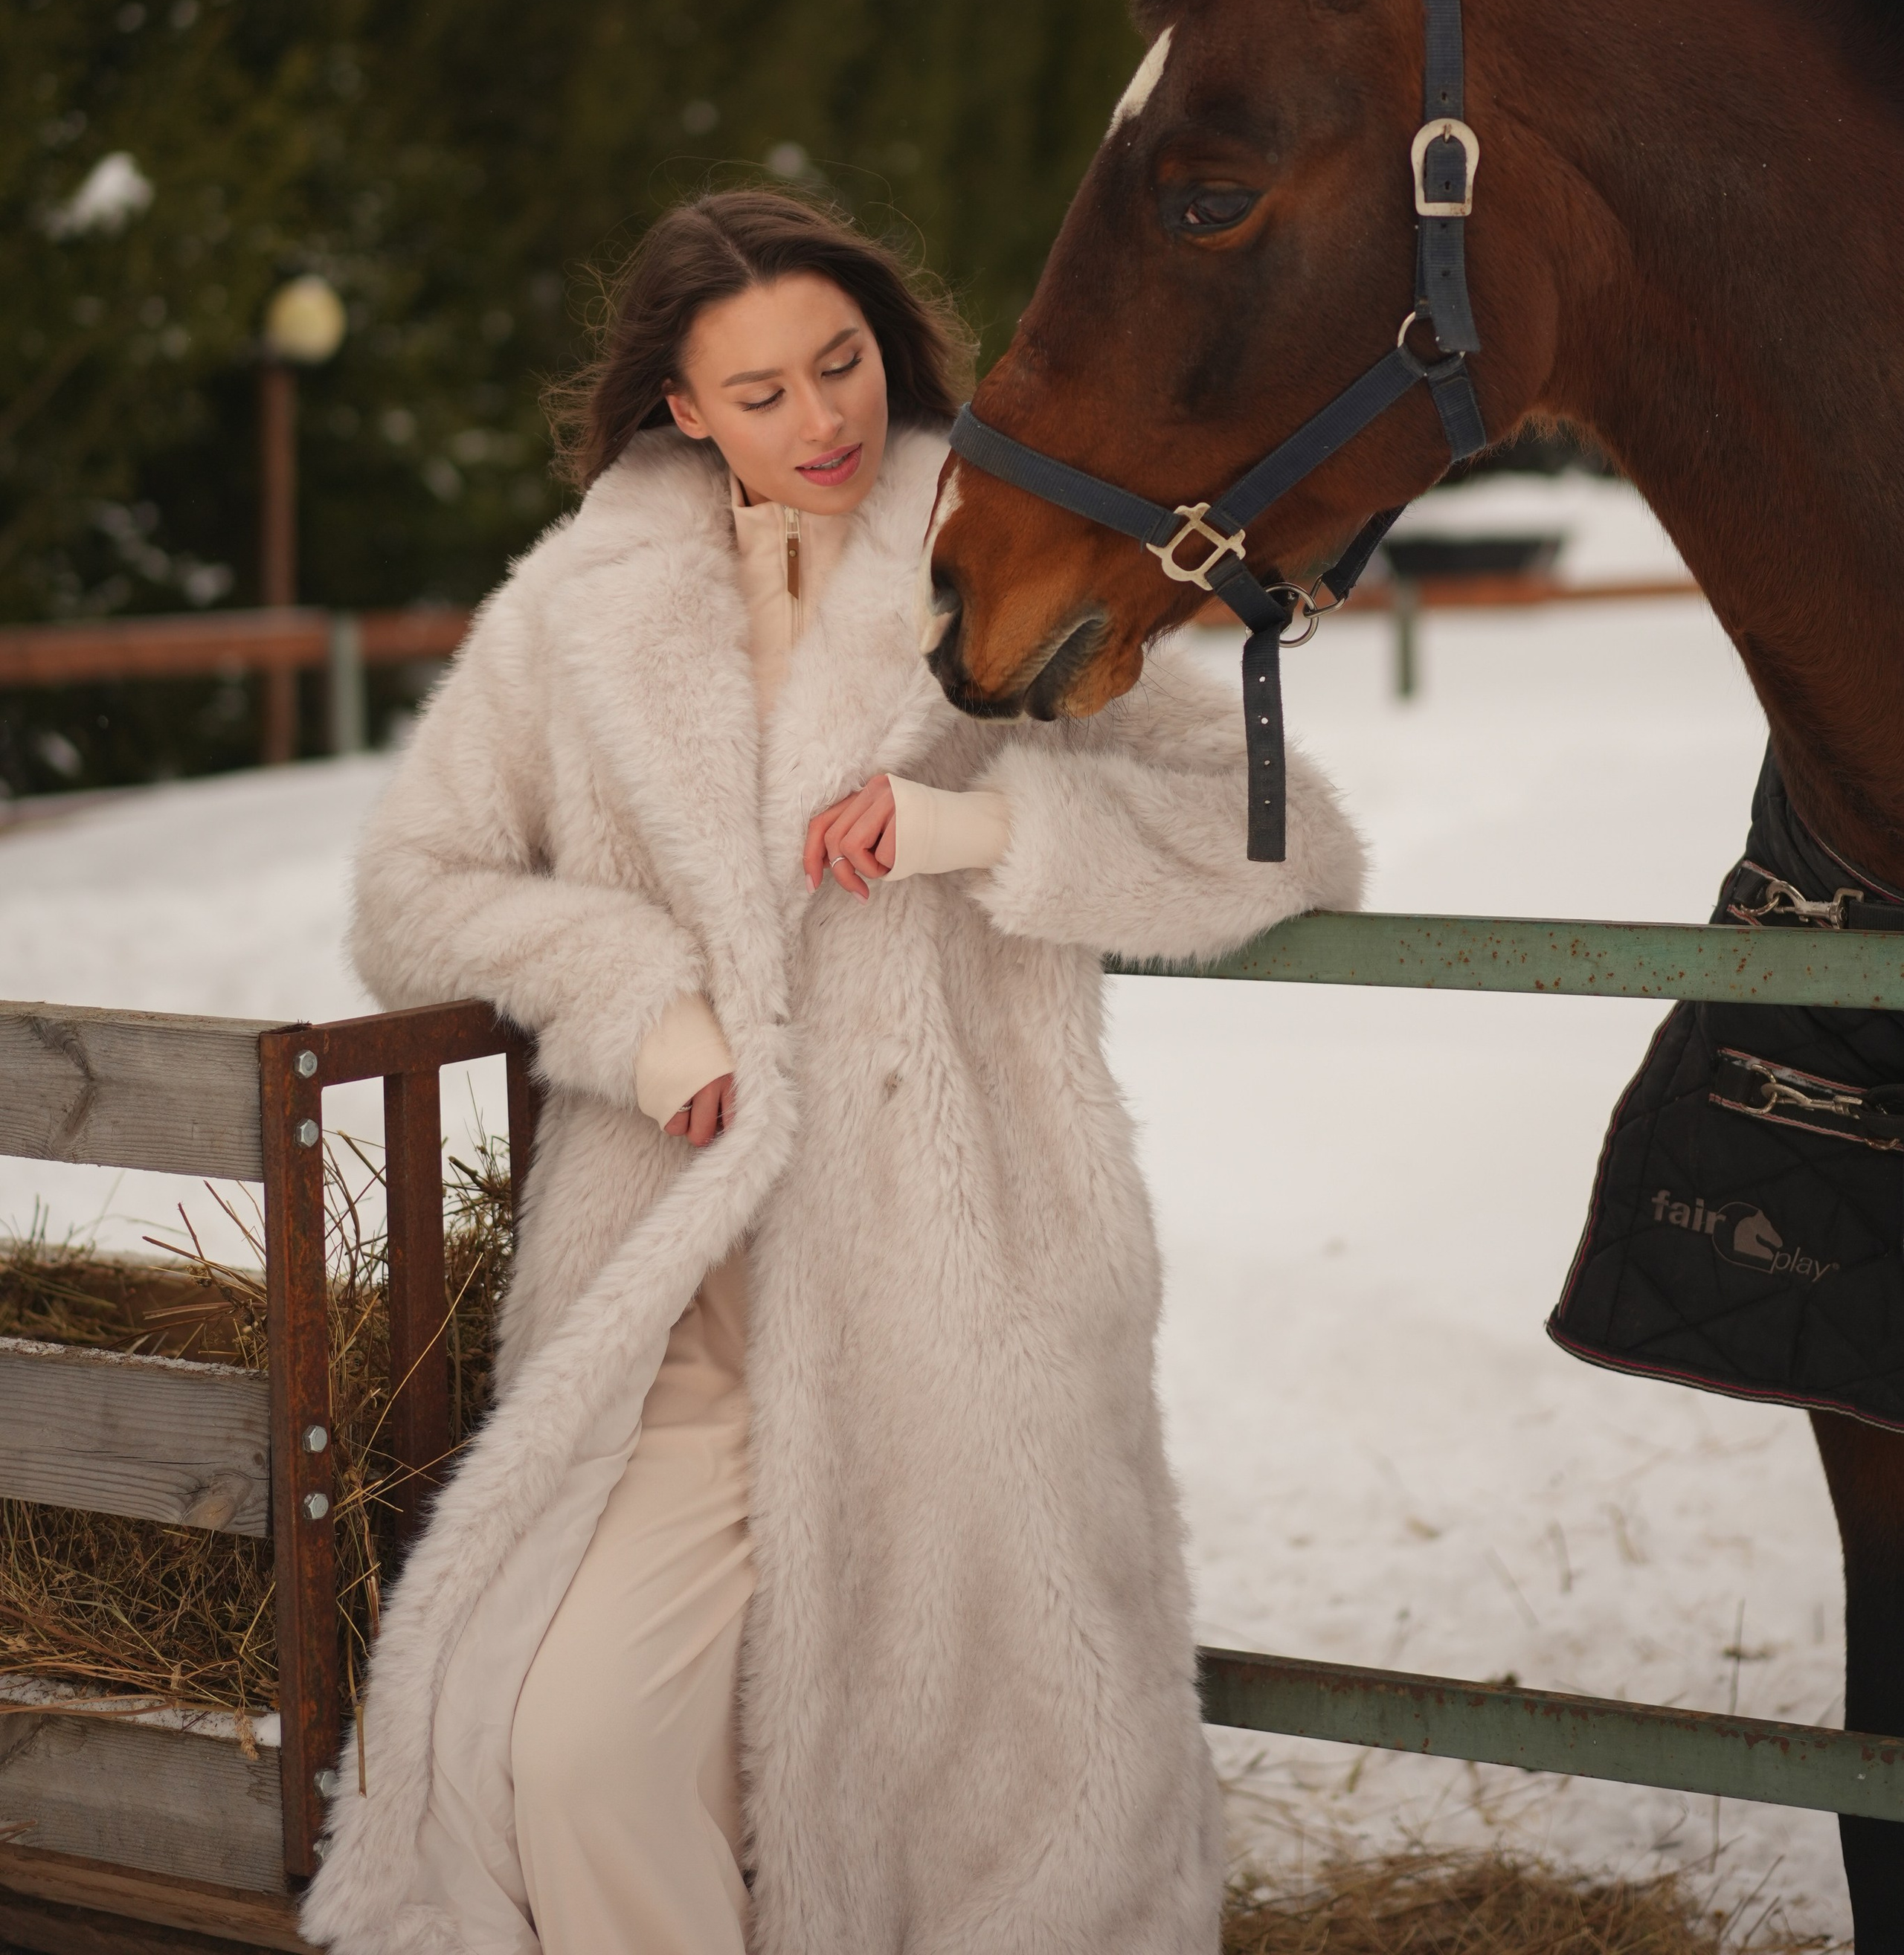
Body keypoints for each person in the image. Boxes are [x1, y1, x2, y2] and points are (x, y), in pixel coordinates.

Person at [303, 186, 1363, 1955]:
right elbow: (411, 891)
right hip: (683, 1300)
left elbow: (1284, 838)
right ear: (680, 411)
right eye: (763, 392)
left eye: (842, 364)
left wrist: (983, 824)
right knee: (574, 1762)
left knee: (996, 1824)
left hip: (952, 1303)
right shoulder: (576, 610)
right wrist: (633, 995)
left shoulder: (1004, 542)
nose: (823, 423)